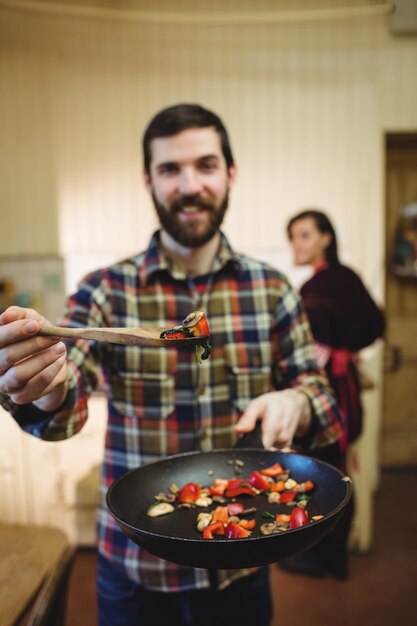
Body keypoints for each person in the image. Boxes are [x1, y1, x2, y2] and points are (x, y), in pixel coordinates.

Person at [0, 105, 343, 626]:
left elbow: (320, 394)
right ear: (148, 180)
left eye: (205, 165)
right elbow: (65, 407)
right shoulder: (104, 290)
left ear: (230, 174)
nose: (189, 185)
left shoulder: (273, 290)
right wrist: (44, 383)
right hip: (136, 570)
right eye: (170, 169)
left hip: (243, 561)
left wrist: (296, 400)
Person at [282, 208, 385, 580]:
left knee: (324, 473)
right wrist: (344, 350)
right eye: (293, 236)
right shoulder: (344, 280)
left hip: (330, 393)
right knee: (331, 471)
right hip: (342, 389)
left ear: (326, 237)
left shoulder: (317, 288)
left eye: (305, 235)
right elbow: (377, 322)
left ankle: (325, 558)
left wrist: (338, 353)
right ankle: (328, 558)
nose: (297, 243)